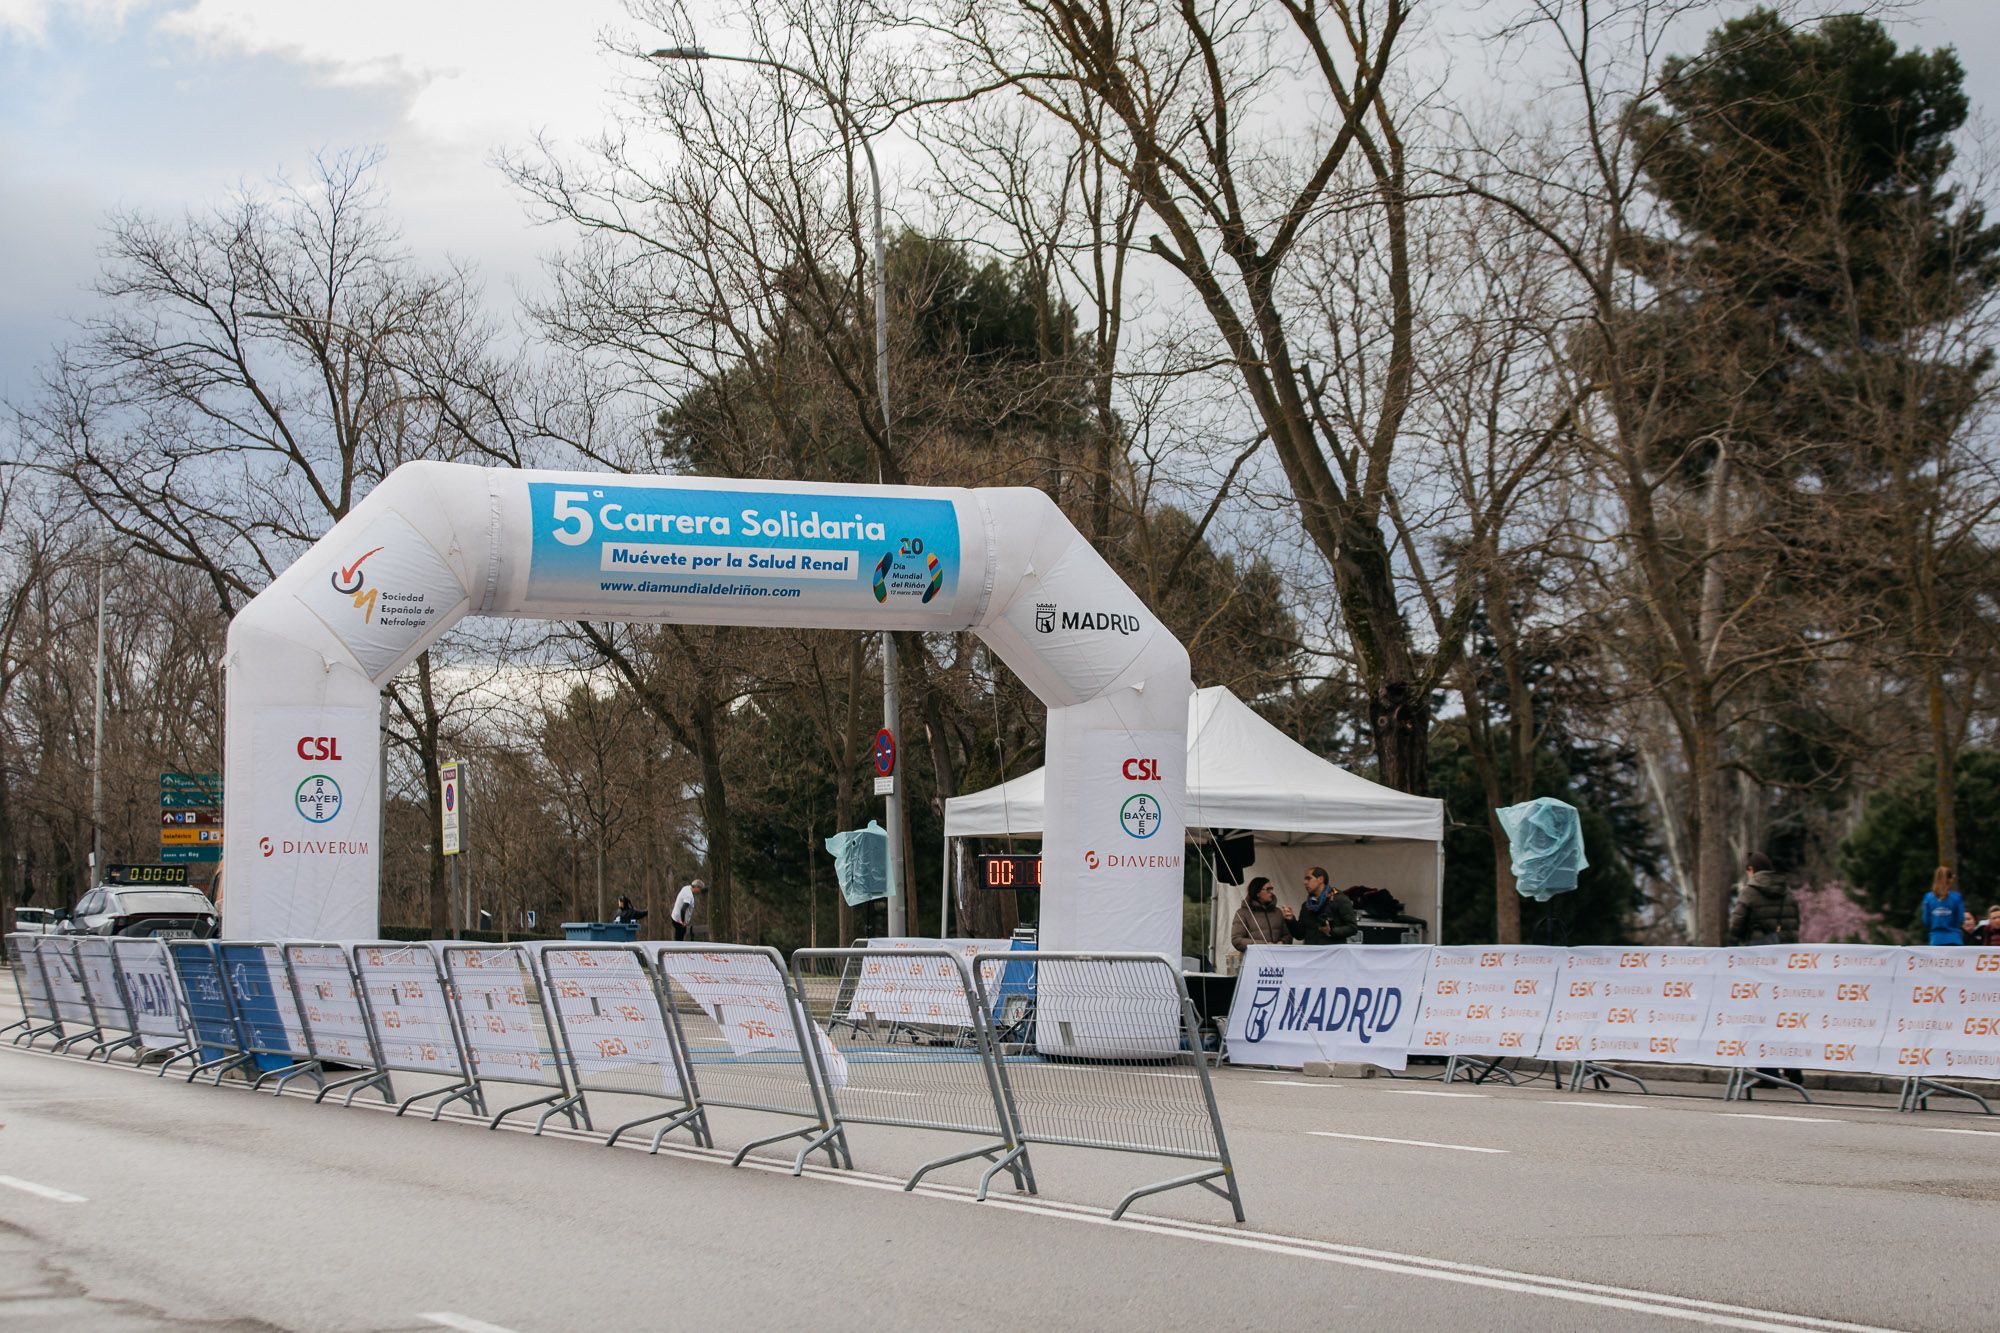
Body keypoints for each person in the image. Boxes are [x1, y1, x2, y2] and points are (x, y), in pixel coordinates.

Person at [1727, 852, 1799, 945]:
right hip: (1785, 952)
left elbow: (1735, 927)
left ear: (1751, 869)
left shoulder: (1749, 892)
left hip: (1758, 953)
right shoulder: (1787, 891)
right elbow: (1795, 924)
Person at [1229, 877, 1295, 960]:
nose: (1271, 892)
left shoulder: (1278, 912)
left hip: (1279, 959)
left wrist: (1282, 942)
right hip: (1254, 961)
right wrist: (1264, 945)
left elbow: (1288, 935)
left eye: (1271, 889)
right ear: (1257, 893)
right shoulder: (1243, 913)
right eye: (1268, 889)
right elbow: (1236, 940)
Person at [1291, 866, 1357, 946]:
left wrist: (1331, 931)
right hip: (1311, 954)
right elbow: (1300, 935)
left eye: (1308, 878)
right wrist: (1290, 920)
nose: (1305, 882)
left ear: (1320, 879)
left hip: (1332, 954)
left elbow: (1352, 928)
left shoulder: (1339, 900)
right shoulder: (1306, 905)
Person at [1918, 867, 1967, 946]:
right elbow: (1960, 919)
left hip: (1936, 939)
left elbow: (1926, 921)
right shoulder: (1956, 897)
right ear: (1950, 880)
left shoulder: (1928, 897)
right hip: (1954, 938)